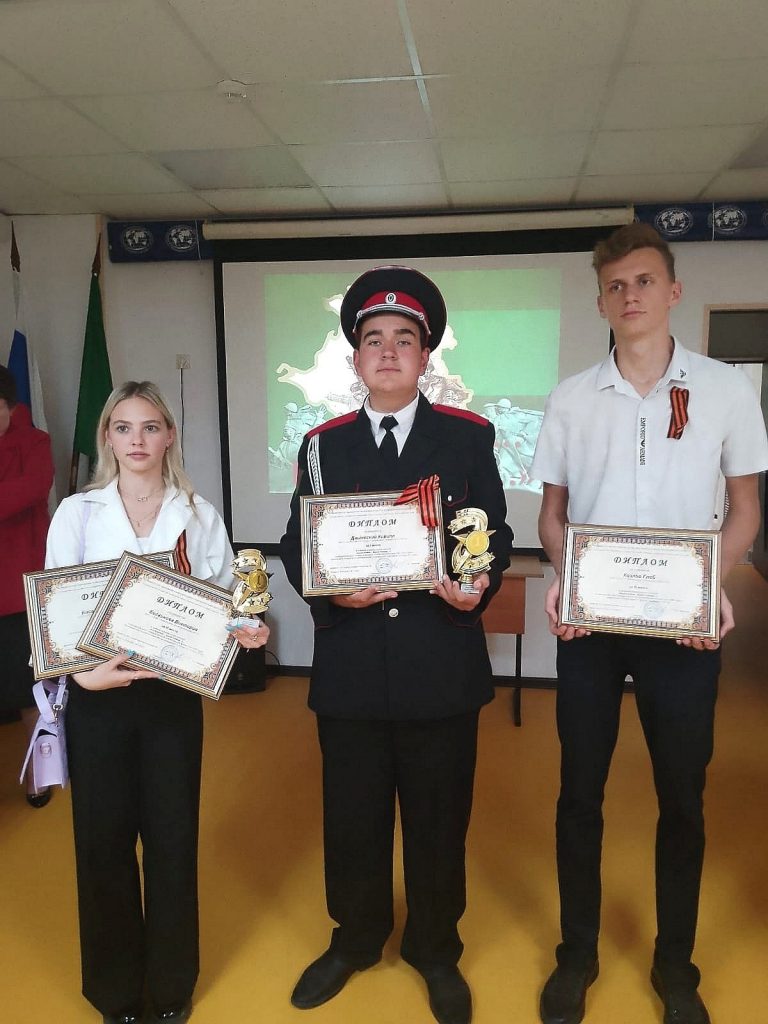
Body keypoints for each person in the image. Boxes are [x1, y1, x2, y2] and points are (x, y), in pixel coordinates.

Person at [531, 224, 768, 1024]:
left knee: (683, 799)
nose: (629, 295)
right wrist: (564, 578)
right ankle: (577, 955)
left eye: (643, 281)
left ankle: (675, 967)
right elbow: (553, 515)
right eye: (615, 286)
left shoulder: (726, 391)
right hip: (590, 631)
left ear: (673, 291)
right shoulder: (570, 397)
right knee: (578, 794)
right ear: (600, 301)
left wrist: (711, 588)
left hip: (683, 632)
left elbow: (745, 510)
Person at [280, 267, 513, 1024]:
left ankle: (435, 948)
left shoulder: (468, 436)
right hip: (351, 667)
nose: (387, 352)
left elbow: (492, 533)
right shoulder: (322, 445)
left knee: (439, 819)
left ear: (425, 357)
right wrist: (329, 591)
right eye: (373, 340)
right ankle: (354, 939)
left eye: (403, 340)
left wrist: (476, 585)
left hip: (439, 661)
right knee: (352, 817)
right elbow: (295, 543)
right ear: (355, 358)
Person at [45, 381, 267, 1024]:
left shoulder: (197, 514)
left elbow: (226, 599)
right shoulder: (77, 513)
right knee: (103, 844)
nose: (137, 439)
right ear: (108, 439)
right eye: (123, 428)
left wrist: (245, 630)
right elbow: (56, 611)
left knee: (171, 841)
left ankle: (171, 987)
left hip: (172, 698)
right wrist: (83, 680)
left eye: (149, 427)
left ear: (169, 436)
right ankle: (115, 992)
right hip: (98, 700)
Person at [0, 364, 54, 806]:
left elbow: (30, 490)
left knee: (28, 691)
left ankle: (39, 773)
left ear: (10, 406)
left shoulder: (35, 443)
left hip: (18, 591)